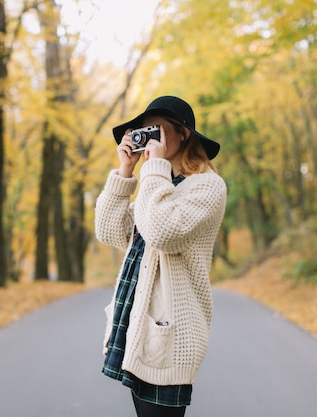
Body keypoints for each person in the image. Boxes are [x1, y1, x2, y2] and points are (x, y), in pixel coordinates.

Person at [95, 96, 227, 417]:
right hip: (138, 323)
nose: (148, 137)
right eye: (143, 130)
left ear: (183, 134)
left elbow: (163, 233)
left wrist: (153, 169)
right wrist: (126, 171)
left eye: (156, 130)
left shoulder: (207, 186)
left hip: (172, 334)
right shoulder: (159, 185)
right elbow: (111, 231)